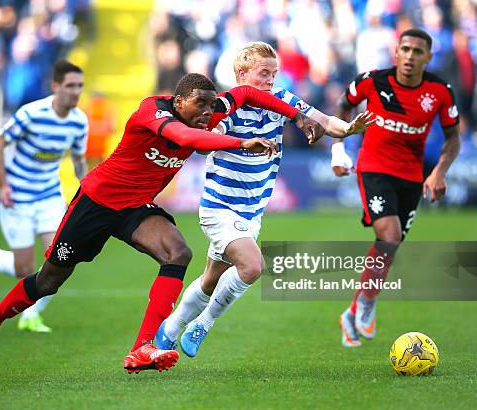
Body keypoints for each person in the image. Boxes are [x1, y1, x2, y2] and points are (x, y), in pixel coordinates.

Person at [0, 72, 320, 374]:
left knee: (178, 253)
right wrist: (241, 141)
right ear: (179, 101)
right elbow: (186, 139)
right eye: (202, 106)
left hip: (136, 207)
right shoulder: (153, 110)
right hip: (97, 201)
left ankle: (143, 347)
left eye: (213, 107)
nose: (209, 114)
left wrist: (296, 115)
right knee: (49, 280)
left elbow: (244, 93)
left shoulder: (203, 113)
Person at [155, 42, 374, 358]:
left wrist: (349, 129)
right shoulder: (226, 106)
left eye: (274, 73)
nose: (271, 80)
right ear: (243, 73)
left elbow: (325, 121)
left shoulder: (282, 100)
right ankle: (203, 323)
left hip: (252, 211)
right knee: (253, 266)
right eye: (264, 74)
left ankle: (170, 329)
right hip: (220, 205)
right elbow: (203, 144)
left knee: (210, 280)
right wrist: (242, 143)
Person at [331, 29, 460, 347]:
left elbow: (453, 137)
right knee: (388, 236)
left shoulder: (440, 91)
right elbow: (341, 106)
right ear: (396, 52)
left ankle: (352, 311)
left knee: (388, 247)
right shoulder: (372, 81)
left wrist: (439, 172)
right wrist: (339, 149)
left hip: (412, 176)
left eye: (418, 51)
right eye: (405, 49)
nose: (410, 56)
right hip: (374, 168)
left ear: (428, 57)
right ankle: (368, 303)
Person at [0, 60, 88, 333]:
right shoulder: (32, 114)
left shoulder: (79, 121)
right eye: (70, 85)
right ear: (55, 86)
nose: (75, 91)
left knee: (60, 259)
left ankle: (31, 316)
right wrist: (3, 185)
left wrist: (87, 190)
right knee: (25, 268)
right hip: (18, 197)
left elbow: (79, 161)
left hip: (48, 196)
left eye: (79, 86)